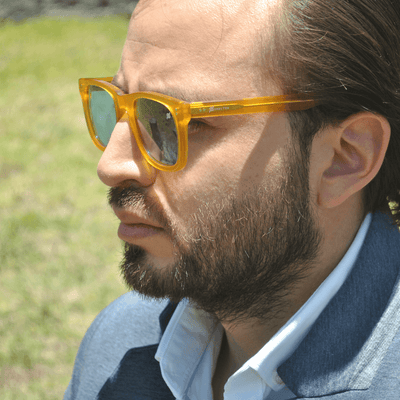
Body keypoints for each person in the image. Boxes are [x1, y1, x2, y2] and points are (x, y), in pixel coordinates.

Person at [65, 0, 400, 398]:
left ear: (344, 159)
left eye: (176, 121)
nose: (111, 165)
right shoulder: (118, 343)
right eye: (120, 105)